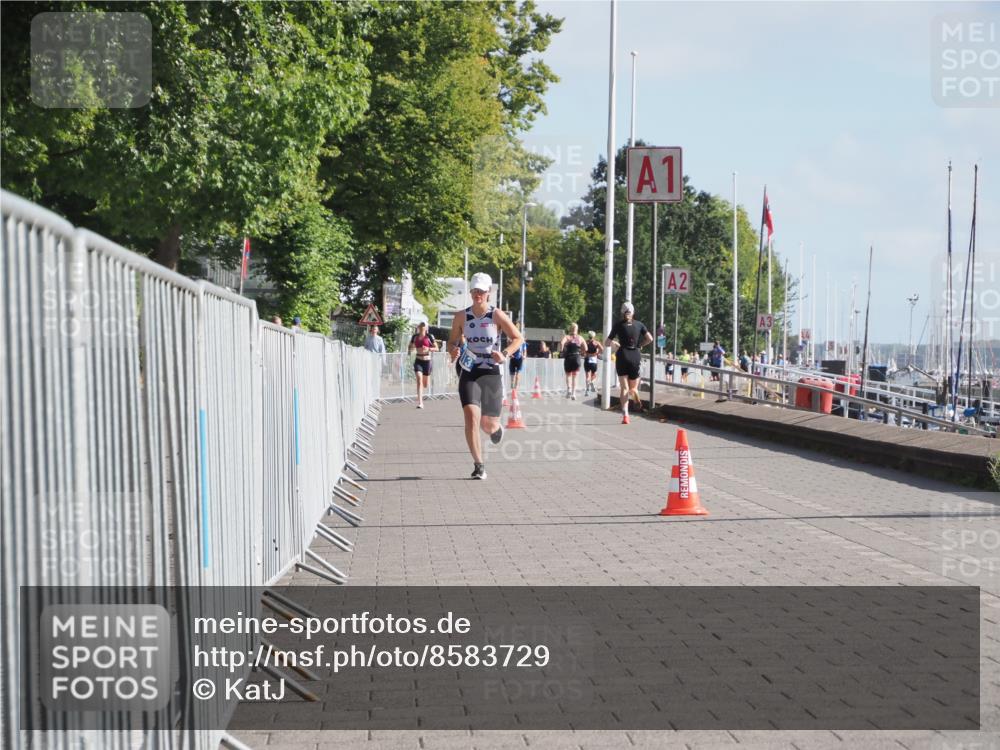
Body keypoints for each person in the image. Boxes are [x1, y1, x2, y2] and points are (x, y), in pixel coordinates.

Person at [447, 272, 523, 480]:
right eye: (474, 290)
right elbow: (452, 341)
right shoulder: (461, 316)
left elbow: (517, 338)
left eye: (481, 291)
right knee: (471, 417)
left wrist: (505, 353)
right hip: (469, 369)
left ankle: (496, 429)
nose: (477, 294)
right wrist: (453, 349)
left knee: (488, 426)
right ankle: (478, 464)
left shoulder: (496, 315)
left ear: (488, 293)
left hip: (491, 371)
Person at [605, 302, 653, 424]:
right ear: (633, 312)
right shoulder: (640, 324)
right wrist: (640, 345)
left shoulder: (618, 325)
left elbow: (606, 342)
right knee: (633, 387)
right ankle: (635, 393)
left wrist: (616, 344)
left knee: (624, 388)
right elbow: (650, 339)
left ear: (622, 313)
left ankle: (625, 415)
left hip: (622, 355)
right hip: (635, 355)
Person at [408, 322, 436, 409]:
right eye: (421, 326)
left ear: (426, 328)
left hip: (427, 361)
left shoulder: (429, 336)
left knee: (425, 384)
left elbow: (437, 348)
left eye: (424, 327)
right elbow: (410, 346)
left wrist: (428, 348)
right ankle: (420, 402)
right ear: (419, 327)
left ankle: (422, 396)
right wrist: (410, 350)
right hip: (418, 360)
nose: (422, 328)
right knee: (419, 380)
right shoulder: (415, 337)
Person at [559, 323, 586, 399]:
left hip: (568, 357)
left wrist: (561, 352)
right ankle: (574, 393)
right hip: (577, 357)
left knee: (568, 375)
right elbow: (586, 348)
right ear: (577, 329)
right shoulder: (580, 338)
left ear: (570, 329)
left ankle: (569, 390)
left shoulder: (567, 337)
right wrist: (582, 353)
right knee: (575, 376)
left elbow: (561, 343)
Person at [583, 331, 604, 395]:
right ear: (594, 336)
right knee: (594, 374)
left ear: (588, 336)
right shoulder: (596, 343)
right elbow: (602, 349)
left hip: (587, 359)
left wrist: (585, 353)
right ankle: (592, 382)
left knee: (587, 375)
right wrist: (597, 353)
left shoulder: (586, 342)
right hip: (594, 359)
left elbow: (583, 349)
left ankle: (587, 390)